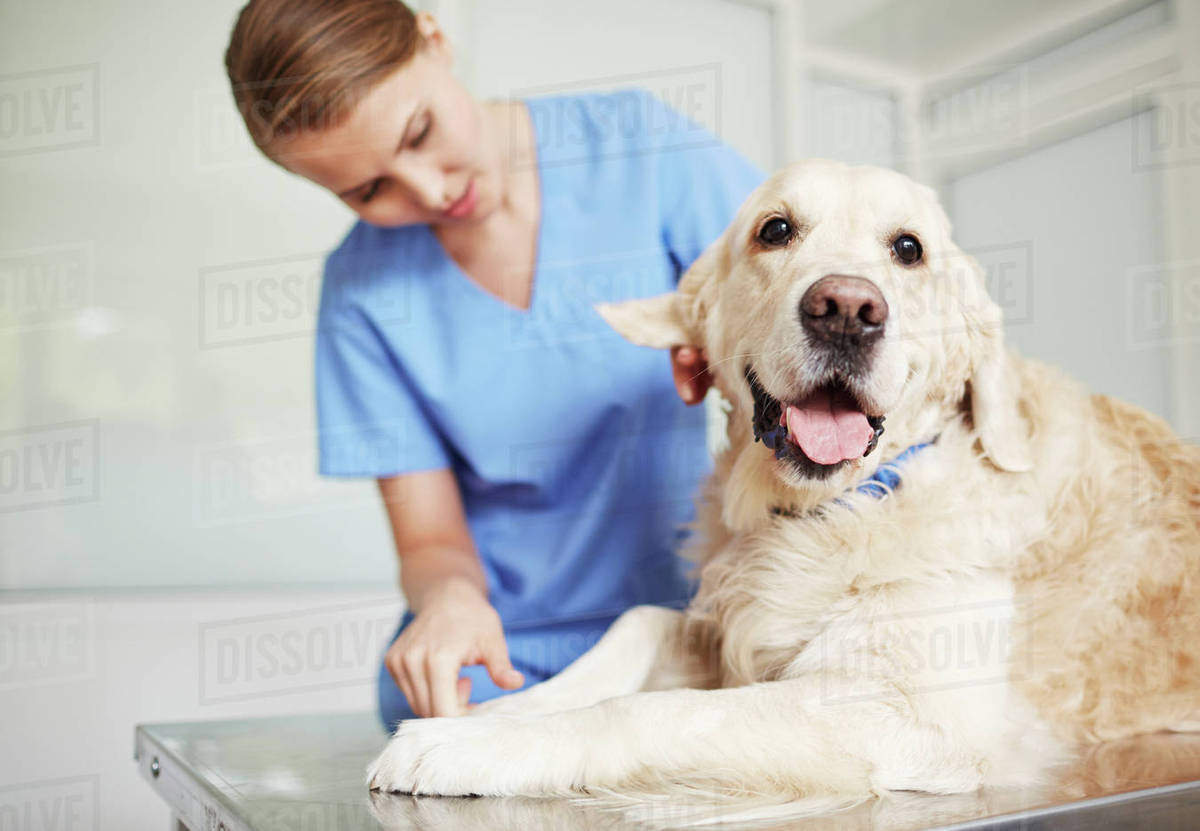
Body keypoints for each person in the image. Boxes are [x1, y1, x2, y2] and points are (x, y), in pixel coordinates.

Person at [225, 0, 764, 729]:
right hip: (506, 658)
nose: (430, 190)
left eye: (418, 132)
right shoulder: (362, 294)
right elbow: (429, 538)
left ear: (435, 38)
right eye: (368, 190)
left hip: (690, 622)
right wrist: (450, 603)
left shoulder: (641, 149)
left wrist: (736, 353)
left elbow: (790, 297)